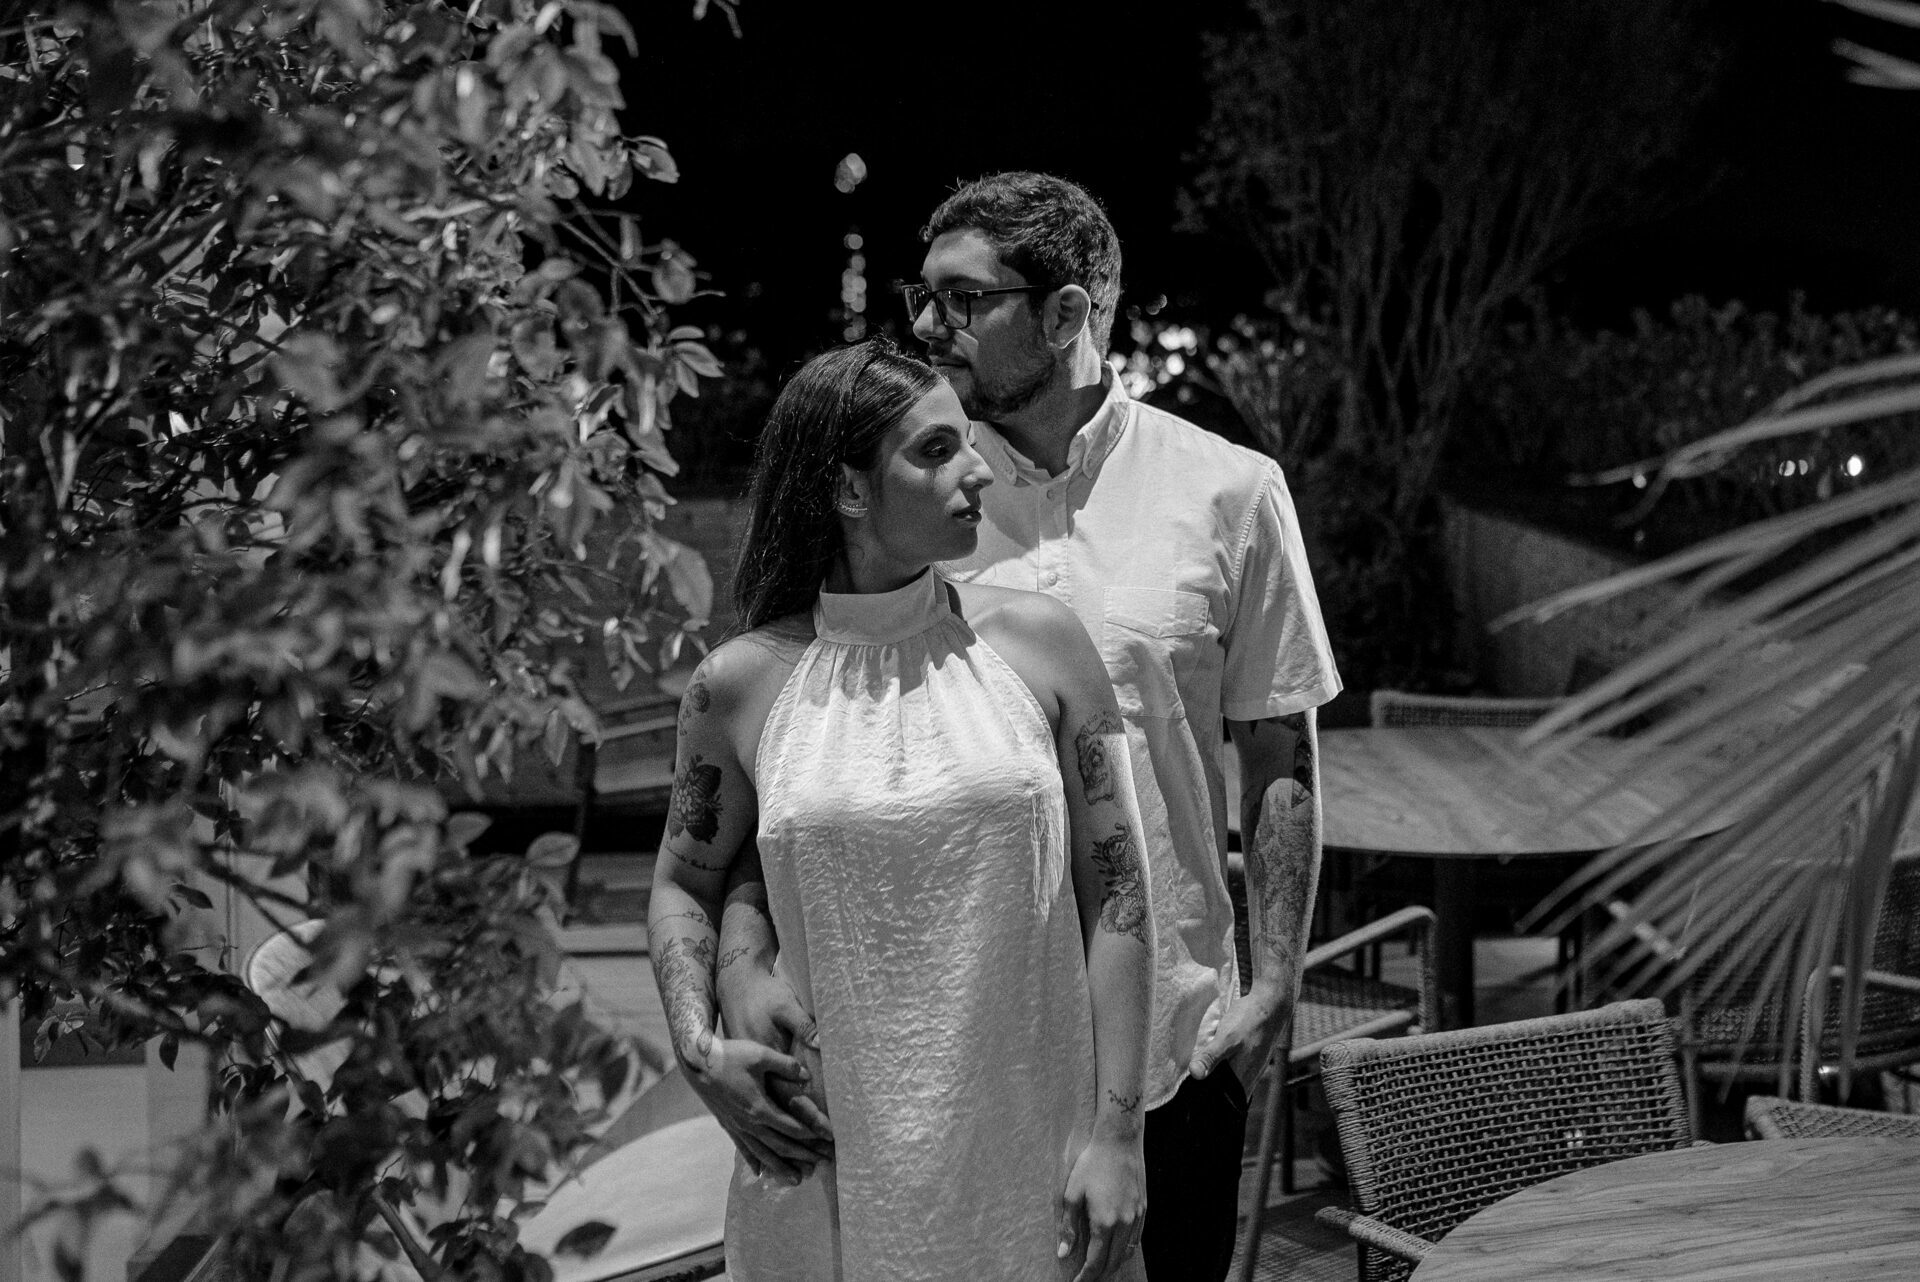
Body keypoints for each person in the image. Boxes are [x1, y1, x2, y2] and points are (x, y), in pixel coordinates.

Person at [719, 174, 1342, 1281]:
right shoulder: (911, 485)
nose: (927, 324)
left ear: (1065, 316)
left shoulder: (1231, 491)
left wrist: (1276, 983)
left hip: (1171, 1048)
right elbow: (784, 755)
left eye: (963, 300)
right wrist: (740, 969)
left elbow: (1277, 749)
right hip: (953, 1067)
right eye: (923, 295)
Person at [646, 340, 1156, 1282]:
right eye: (935, 451)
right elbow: (685, 883)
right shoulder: (739, 686)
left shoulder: (1041, 642)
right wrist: (699, 1048)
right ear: (847, 489)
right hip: (828, 1156)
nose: (977, 471)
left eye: (966, 441)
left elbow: (1120, 894)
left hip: (1030, 1151)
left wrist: (1119, 1133)